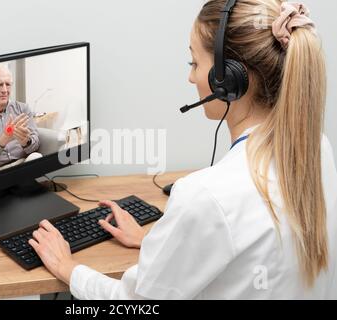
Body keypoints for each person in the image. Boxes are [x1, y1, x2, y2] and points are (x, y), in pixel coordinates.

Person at [28, 0, 337, 299]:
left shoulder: (206, 196)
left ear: (228, 79)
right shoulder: (314, 150)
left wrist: (69, 269)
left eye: (195, 63)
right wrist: (153, 241)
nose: (190, 77)